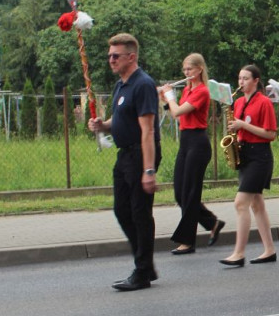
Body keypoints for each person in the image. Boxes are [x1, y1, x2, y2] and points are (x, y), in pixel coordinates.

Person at [88, 33, 161, 291]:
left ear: (131, 56)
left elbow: (148, 131)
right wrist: (102, 125)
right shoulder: (121, 85)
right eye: (109, 55)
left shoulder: (143, 85)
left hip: (141, 154)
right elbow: (118, 120)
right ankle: (146, 263)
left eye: (115, 56)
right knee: (122, 210)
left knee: (140, 214)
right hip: (124, 155)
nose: (111, 60)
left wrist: (149, 170)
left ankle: (142, 272)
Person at [158, 53, 224, 255]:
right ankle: (212, 223)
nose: (186, 73)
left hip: (198, 142)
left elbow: (178, 111)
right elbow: (175, 115)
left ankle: (187, 241)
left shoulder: (203, 91)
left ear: (199, 69)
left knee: (190, 193)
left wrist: (170, 97)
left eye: (190, 69)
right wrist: (164, 100)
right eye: (184, 69)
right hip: (186, 142)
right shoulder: (187, 90)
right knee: (180, 192)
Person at [220, 64, 278, 267]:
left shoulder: (264, 102)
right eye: (239, 78)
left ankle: (239, 253)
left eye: (245, 78)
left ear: (255, 81)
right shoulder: (237, 102)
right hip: (245, 153)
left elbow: (270, 134)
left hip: (260, 156)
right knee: (256, 204)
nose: (241, 82)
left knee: (240, 203)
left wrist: (243, 125)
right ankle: (269, 250)